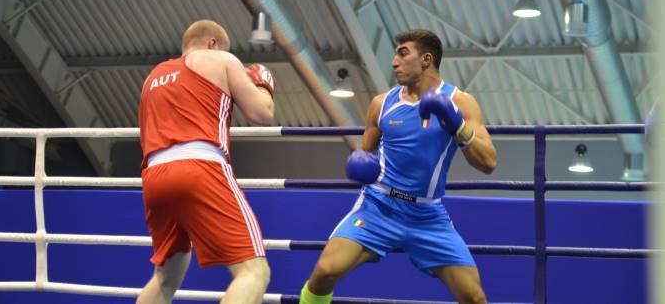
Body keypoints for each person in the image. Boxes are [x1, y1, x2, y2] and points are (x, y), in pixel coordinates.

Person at [300, 29, 497, 304]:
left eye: (403, 53)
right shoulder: (382, 104)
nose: (394, 61)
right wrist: (358, 165)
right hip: (379, 206)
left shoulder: (460, 102)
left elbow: (489, 162)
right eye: (395, 54)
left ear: (426, 59)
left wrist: (457, 125)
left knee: (474, 297)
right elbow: (364, 155)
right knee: (324, 271)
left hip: (427, 216)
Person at [137, 19, 276, 304]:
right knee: (253, 271)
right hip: (199, 168)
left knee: (164, 278)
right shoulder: (220, 59)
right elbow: (261, 114)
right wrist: (263, 85)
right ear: (214, 43)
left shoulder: (154, 76)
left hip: (154, 177)